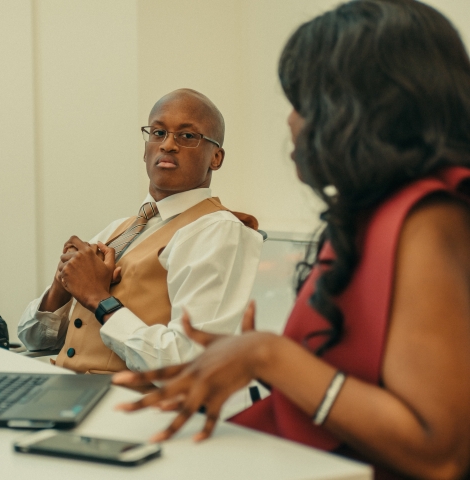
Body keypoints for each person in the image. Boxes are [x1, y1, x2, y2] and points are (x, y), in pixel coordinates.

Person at [112, 1, 470, 478]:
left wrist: (267, 355)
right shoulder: (373, 215)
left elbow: (438, 453)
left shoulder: (428, 218)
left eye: (303, 103)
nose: (291, 123)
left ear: (360, 111)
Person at [18, 89, 263, 378]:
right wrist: (63, 286)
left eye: (187, 136)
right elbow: (33, 341)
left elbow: (186, 364)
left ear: (216, 158)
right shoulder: (117, 229)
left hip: (130, 407)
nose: (168, 145)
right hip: (66, 389)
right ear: (145, 148)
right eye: (158, 132)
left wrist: (98, 298)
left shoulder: (218, 230)